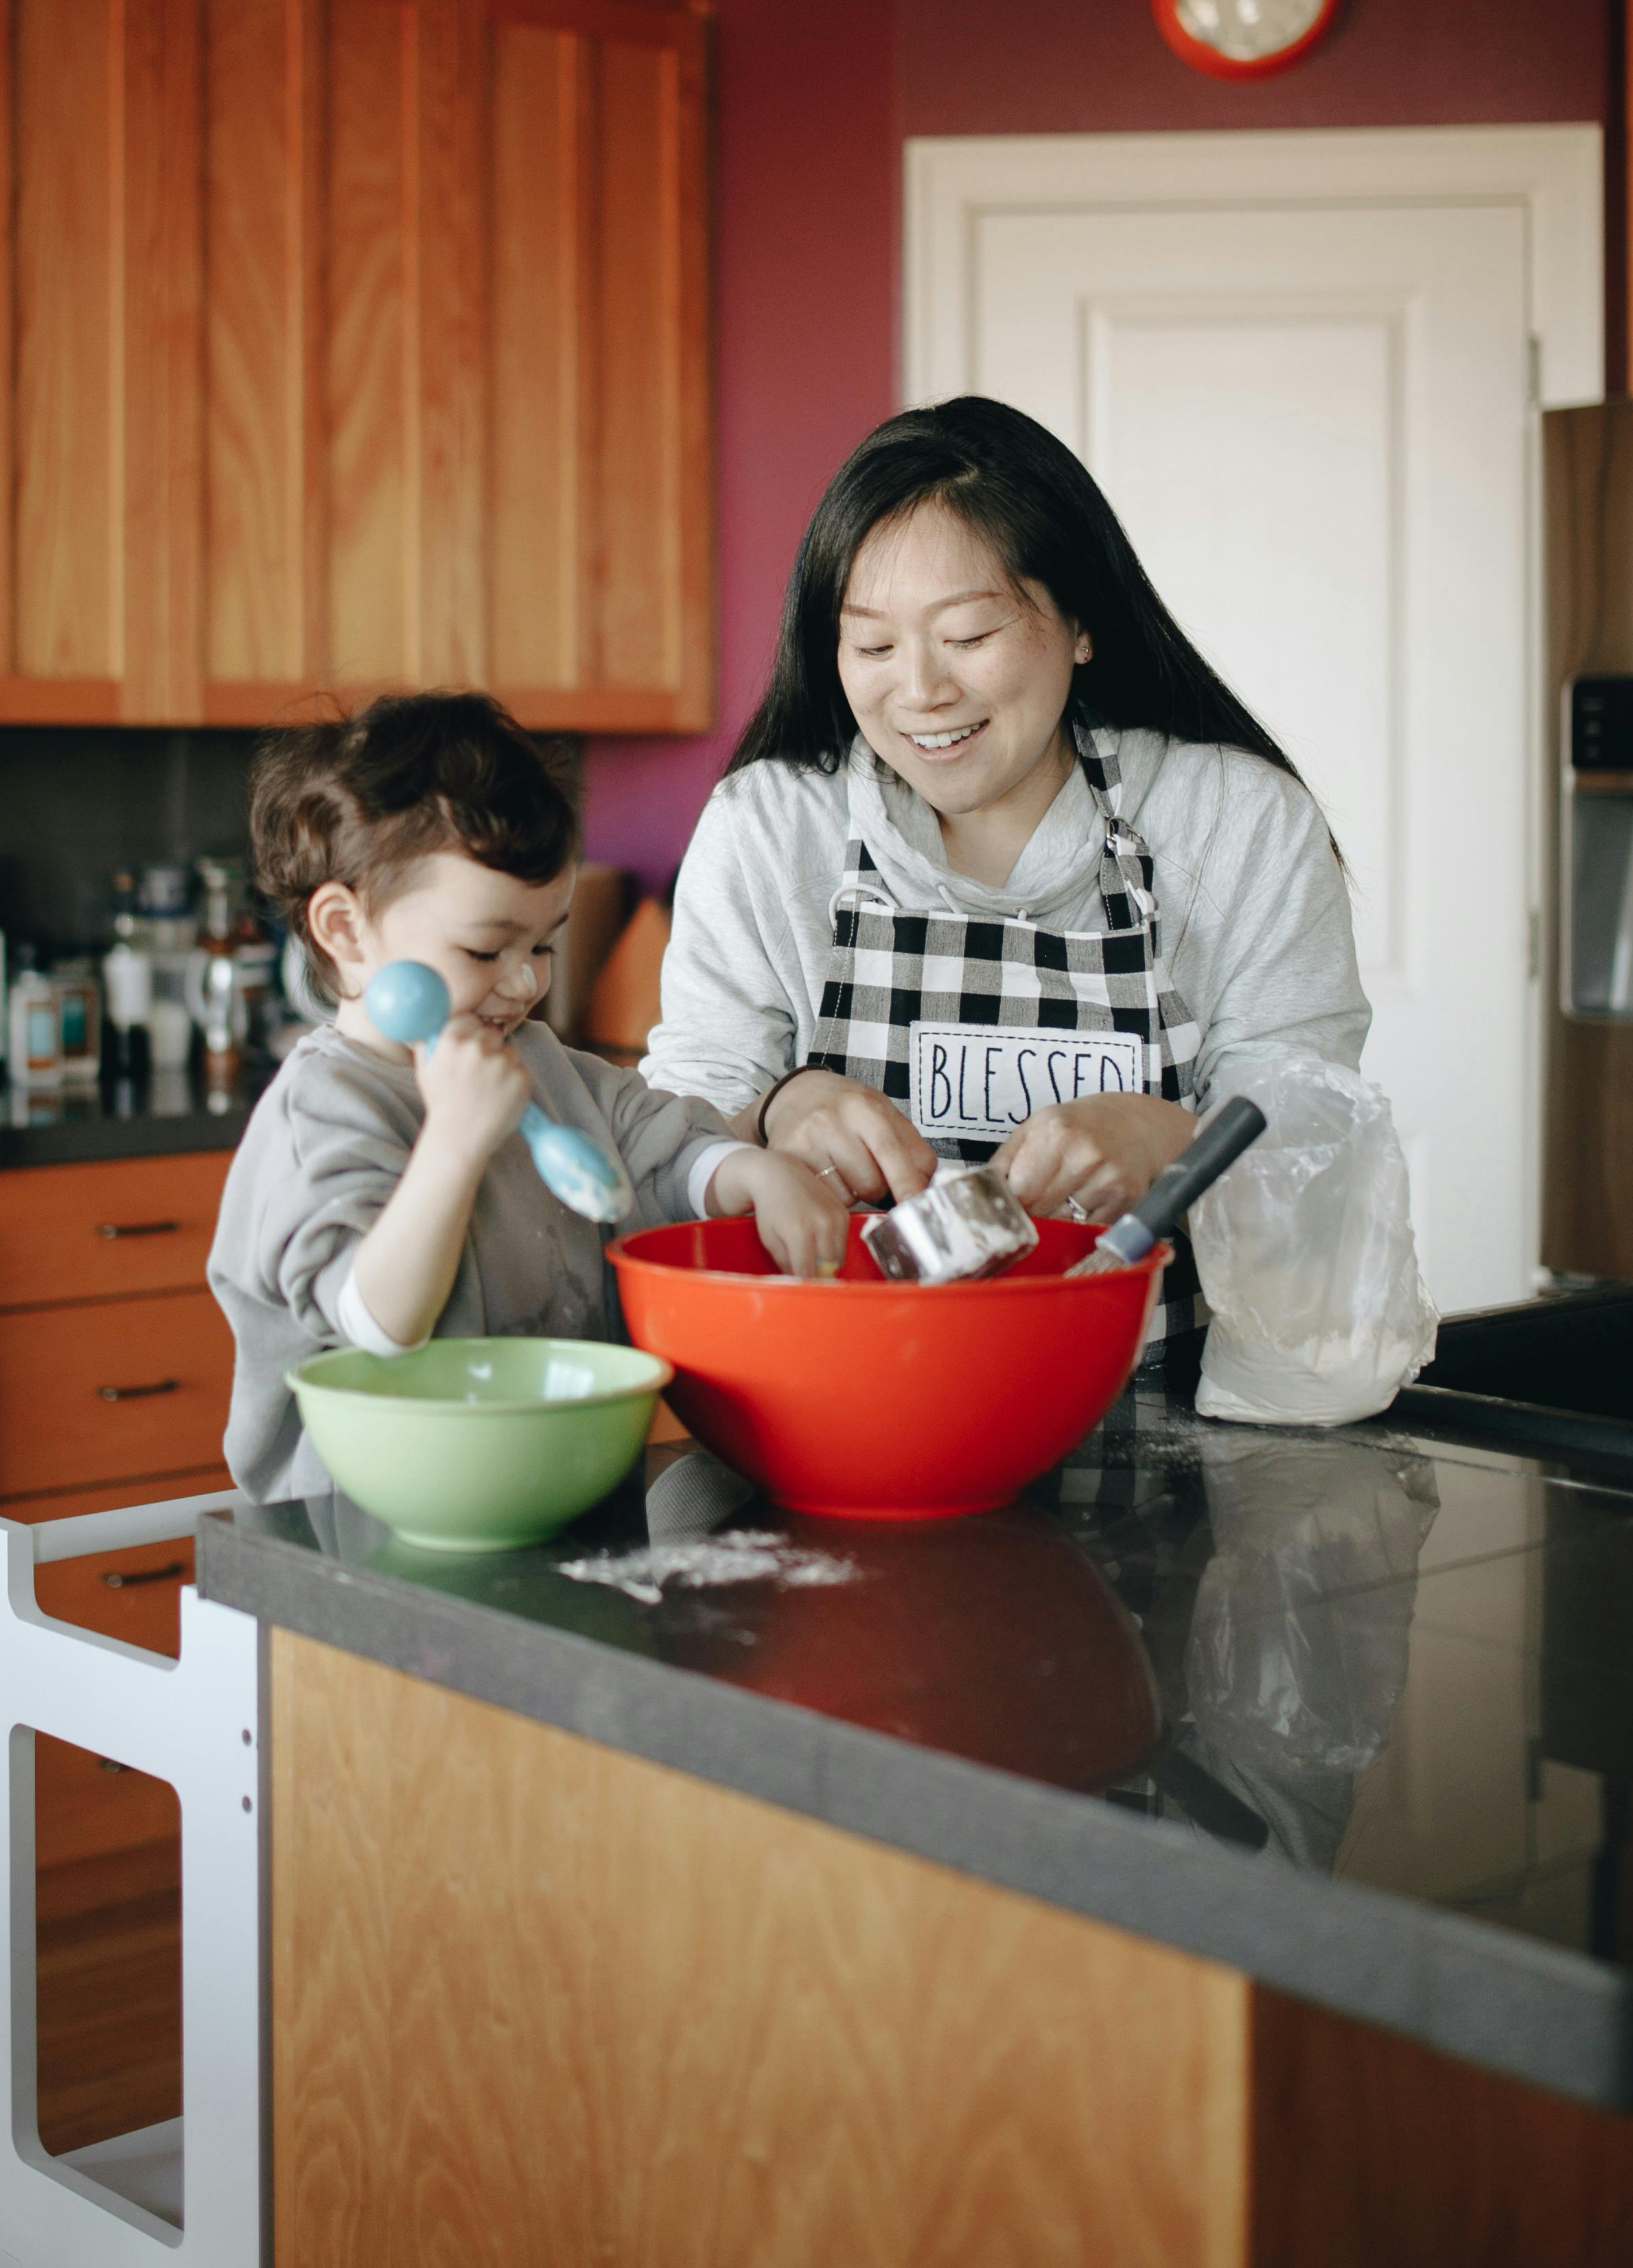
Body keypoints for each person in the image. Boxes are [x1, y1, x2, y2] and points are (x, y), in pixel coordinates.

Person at [641, 397, 1369, 1364]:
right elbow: (659, 1156)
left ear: (1079, 622)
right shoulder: (773, 830)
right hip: (840, 1404)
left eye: (969, 635)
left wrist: (1169, 1143)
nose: (919, 692)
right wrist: (777, 1110)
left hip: (1163, 1435)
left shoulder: (1233, 825)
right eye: (870, 645)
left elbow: (1323, 1170)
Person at [211, 691, 846, 1503]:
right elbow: (375, 1323)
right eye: (484, 948)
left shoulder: (542, 1063)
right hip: (366, 1528)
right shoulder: (322, 1114)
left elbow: (661, 1142)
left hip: (558, 1488)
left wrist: (749, 1173)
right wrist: (452, 1146)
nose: (524, 982)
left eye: (542, 943)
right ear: (345, 930)